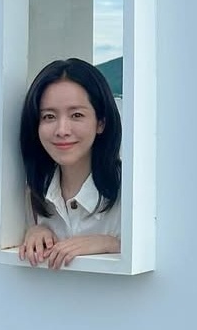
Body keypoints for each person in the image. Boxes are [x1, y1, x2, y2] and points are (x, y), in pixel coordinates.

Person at [18, 58, 122, 268]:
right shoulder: (30, 193)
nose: (62, 130)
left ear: (101, 122)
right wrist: (33, 232)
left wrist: (113, 244)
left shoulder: (133, 192)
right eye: (49, 116)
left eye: (76, 115)